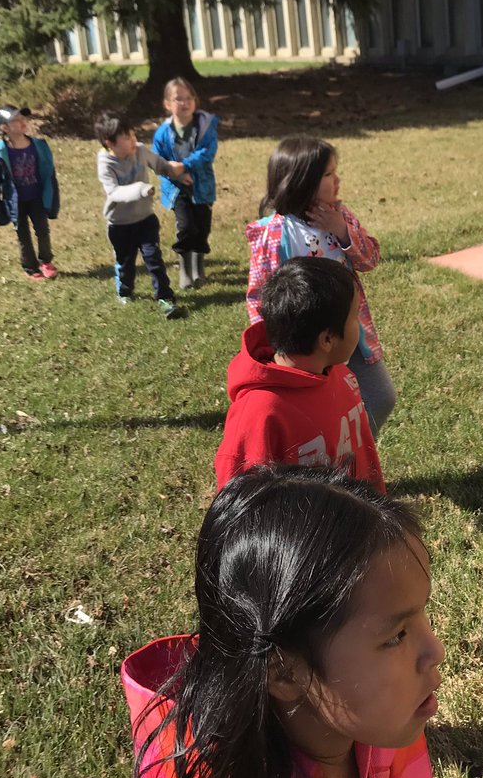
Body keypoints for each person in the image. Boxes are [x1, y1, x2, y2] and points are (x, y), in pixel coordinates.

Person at [112, 466, 445, 778]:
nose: (435, 650)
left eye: (423, 613)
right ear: (284, 671)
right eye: (397, 635)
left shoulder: (385, 727)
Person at [246, 136, 396, 435]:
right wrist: (273, 343)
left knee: (381, 397)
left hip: (349, 335)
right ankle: (330, 462)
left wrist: (341, 230)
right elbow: (260, 295)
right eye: (328, 174)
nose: (337, 180)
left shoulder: (341, 217)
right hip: (305, 350)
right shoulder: (273, 233)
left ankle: (353, 451)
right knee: (318, 411)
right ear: (301, 181)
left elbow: (370, 260)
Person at [216, 258, 384, 493]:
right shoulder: (261, 415)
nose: (360, 324)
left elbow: (363, 458)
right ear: (327, 339)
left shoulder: (341, 375)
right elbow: (240, 508)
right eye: (355, 316)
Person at [95, 113, 191, 319]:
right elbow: (113, 192)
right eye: (126, 137)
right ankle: (125, 290)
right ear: (109, 143)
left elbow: (160, 165)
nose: (133, 140)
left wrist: (179, 172)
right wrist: (140, 189)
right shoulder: (106, 163)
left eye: (132, 134)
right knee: (125, 262)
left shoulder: (139, 151)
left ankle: (165, 297)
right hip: (120, 224)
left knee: (154, 259)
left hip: (145, 220)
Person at [151, 78, 219, 289]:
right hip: (177, 189)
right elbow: (157, 162)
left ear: (195, 101)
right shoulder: (163, 133)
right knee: (187, 227)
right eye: (178, 99)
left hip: (202, 186)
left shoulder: (205, 126)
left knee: (202, 227)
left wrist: (186, 166)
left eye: (188, 98)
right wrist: (177, 175)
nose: (184, 103)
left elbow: (208, 152)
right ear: (167, 104)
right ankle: (185, 270)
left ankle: (198, 267)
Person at [0, 104, 60, 281]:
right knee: (23, 235)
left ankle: (46, 262)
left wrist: (53, 198)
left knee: (43, 230)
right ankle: (30, 267)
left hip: (36, 198)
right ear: (5, 128)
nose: (22, 122)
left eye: (23, 118)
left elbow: (49, 174)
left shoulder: (38, 146)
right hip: (16, 201)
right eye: (16, 120)